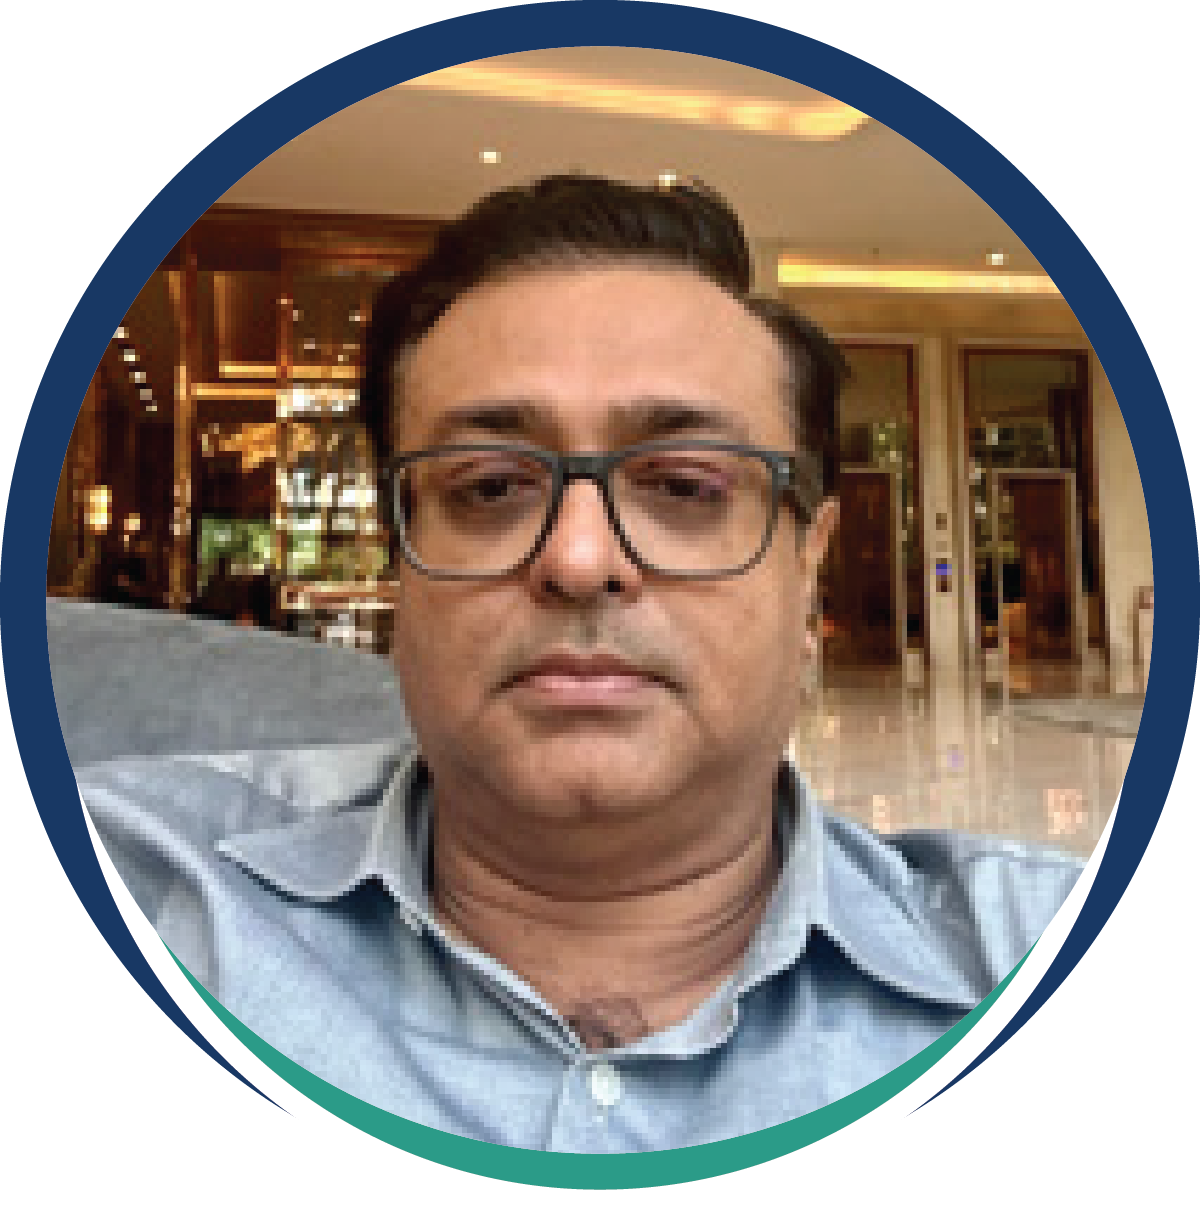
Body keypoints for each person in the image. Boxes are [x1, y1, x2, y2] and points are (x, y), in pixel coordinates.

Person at [76, 175, 1081, 1153]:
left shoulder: (1054, 964)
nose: (581, 558)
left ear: (807, 562)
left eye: (684, 485)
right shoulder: (127, 894)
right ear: (398, 558)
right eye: (491, 486)